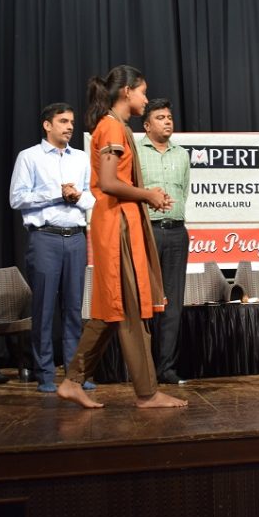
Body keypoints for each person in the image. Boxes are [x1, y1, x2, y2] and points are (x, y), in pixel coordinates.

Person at [57, 65, 187, 408]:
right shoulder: (112, 126)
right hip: (117, 225)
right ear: (127, 91)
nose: (145, 98)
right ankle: (147, 393)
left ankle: (73, 380)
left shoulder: (114, 125)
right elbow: (109, 182)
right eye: (142, 92)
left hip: (118, 222)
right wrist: (148, 195)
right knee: (130, 308)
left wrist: (147, 197)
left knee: (111, 308)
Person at [9, 103, 95, 392]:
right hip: (44, 238)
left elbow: (93, 198)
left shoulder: (81, 158)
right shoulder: (29, 157)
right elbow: (17, 198)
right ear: (47, 125)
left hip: (77, 238)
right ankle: (44, 374)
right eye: (63, 121)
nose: (70, 126)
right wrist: (56, 193)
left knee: (74, 309)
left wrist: (77, 196)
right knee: (44, 309)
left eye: (71, 121)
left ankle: (75, 375)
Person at [136, 98, 189, 385]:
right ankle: (142, 366)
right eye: (160, 117)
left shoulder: (181, 155)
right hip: (148, 231)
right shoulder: (135, 152)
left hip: (177, 232)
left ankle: (166, 368)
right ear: (147, 125)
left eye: (169, 117)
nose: (167, 121)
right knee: (144, 299)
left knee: (173, 302)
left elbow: (185, 191)